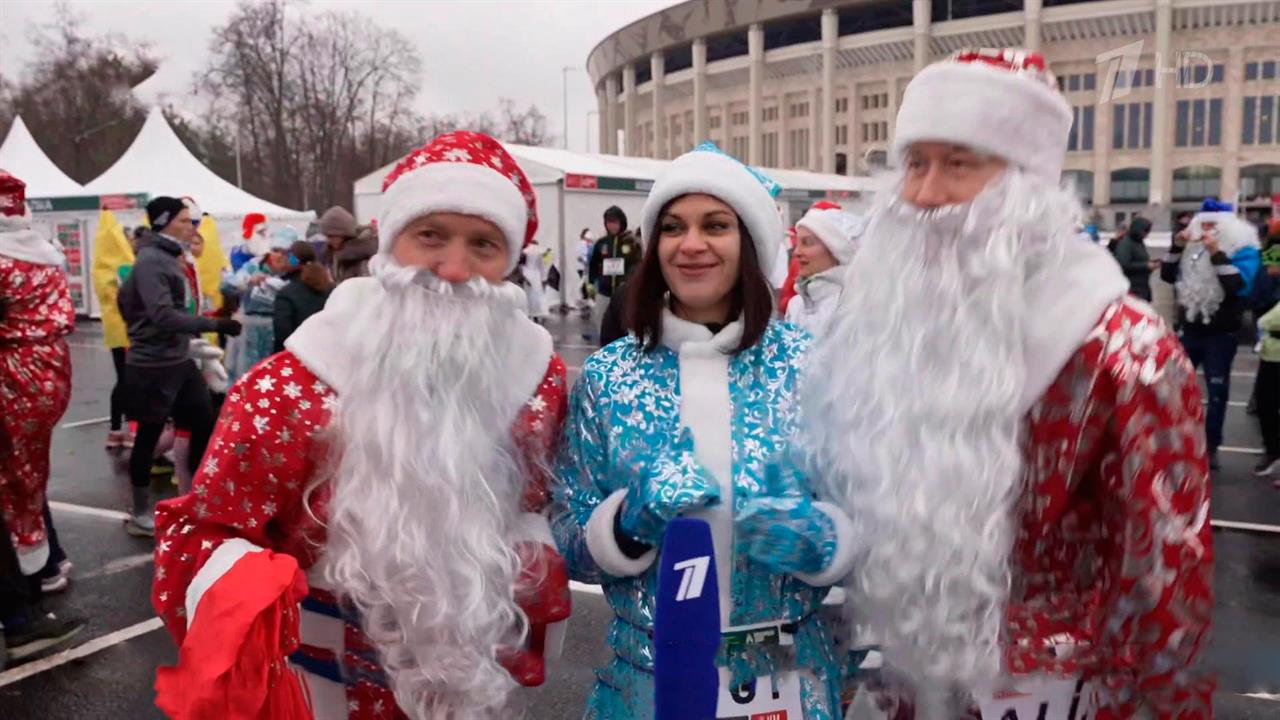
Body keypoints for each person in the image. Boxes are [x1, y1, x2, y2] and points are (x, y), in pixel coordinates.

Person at [805, 49, 1213, 719]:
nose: (925, 195)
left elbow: (1168, 586)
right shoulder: (897, 324)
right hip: (906, 683)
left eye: (959, 164)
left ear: (1027, 184)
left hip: (1060, 692)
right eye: (915, 163)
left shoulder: (1125, 350)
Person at [151, 131, 572, 719]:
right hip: (320, 688)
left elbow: (546, 505)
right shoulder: (290, 386)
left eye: (483, 244)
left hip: (474, 681)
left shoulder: (537, 381)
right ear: (389, 244)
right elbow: (201, 532)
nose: (453, 268)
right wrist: (247, 591)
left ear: (510, 262)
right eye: (431, 236)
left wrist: (531, 551)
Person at [553, 143, 857, 719]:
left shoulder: (813, 366)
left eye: (715, 225)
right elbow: (566, 531)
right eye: (673, 227)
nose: (691, 244)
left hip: (787, 678)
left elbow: (876, 513)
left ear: (750, 242)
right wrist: (622, 527)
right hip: (645, 685)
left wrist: (824, 540)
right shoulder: (610, 376)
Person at [117, 196, 242, 536]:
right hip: (154, 364)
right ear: (164, 223)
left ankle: (195, 496)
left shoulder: (172, 256)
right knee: (149, 436)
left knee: (203, 420)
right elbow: (160, 314)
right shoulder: (151, 261)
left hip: (178, 357)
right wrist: (214, 326)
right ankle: (140, 512)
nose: (192, 226)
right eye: (185, 221)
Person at [0, 171, 79, 614]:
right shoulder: (42, 254)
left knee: (17, 477)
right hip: (51, 369)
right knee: (29, 470)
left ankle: (32, 575)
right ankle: (47, 561)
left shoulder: (4, 262)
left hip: (16, 373)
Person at [1161, 198, 1261, 469]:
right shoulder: (1191, 247)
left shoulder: (1245, 250)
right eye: (1202, 223)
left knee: (1217, 392)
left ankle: (1211, 444)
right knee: (1175, 387)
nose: (1206, 229)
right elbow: (1168, 275)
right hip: (1191, 329)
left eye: (1212, 224)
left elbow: (1238, 286)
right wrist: (1177, 247)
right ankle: (1175, 439)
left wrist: (1217, 254)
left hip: (1221, 334)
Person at [221, 226, 297, 382]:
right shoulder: (255, 265)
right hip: (249, 331)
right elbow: (226, 286)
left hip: (282, 331)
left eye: (286, 252)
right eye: (276, 250)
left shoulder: (296, 269)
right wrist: (249, 281)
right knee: (247, 378)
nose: (280, 256)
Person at [91, 206, 136, 451]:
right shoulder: (123, 267)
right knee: (129, 381)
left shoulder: (100, 270)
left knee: (122, 380)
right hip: (128, 330)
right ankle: (129, 428)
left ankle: (116, 428)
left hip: (113, 331)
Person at [784, 204, 866, 335]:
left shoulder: (857, 307)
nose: (797, 252)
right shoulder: (796, 305)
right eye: (797, 243)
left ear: (836, 250)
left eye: (807, 243)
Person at [586, 206, 641, 342]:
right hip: (604, 292)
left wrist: (629, 282)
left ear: (621, 222)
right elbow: (593, 264)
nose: (612, 225)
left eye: (615, 222)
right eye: (609, 222)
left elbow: (637, 265)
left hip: (624, 293)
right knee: (602, 322)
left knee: (625, 324)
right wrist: (591, 283)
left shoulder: (631, 242)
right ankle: (604, 351)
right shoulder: (601, 243)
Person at [272, 241, 334, 353]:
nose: (284, 259)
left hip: (296, 354)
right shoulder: (331, 288)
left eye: (288, 256)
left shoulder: (286, 294)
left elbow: (282, 334)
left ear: (295, 261)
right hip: (326, 352)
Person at [318, 205, 376, 284]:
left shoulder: (363, 260)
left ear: (344, 234)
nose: (328, 241)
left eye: (331, 236)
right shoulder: (334, 255)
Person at [1108, 215, 1158, 301]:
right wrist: (1145, 266)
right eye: (1145, 231)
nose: (1146, 235)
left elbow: (1139, 259)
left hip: (1141, 287)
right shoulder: (1126, 244)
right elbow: (1123, 264)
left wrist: (1150, 265)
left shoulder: (1138, 242)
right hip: (1132, 289)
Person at [520, 241, 549, 322]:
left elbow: (521, 264)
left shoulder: (525, 252)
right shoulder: (539, 253)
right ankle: (537, 312)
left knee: (528, 294)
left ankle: (529, 312)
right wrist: (544, 278)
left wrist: (523, 276)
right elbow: (542, 266)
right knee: (537, 294)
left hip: (526, 273)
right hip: (536, 274)